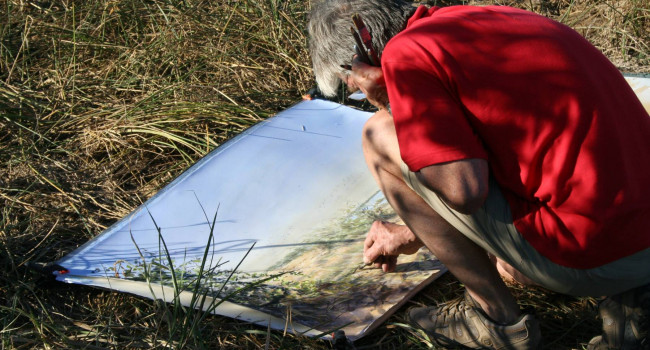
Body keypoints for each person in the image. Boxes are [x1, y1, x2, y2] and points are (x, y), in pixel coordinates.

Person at [308, 0, 650, 349]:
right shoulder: (485, 17)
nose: (362, 96)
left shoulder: (404, 54)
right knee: (510, 266)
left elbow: (463, 190)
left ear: (362, 57)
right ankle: (634, 294)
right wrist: (413, 233)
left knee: (378, 134)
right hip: (640, 235)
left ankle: (494, 320)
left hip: (595, 251)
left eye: (353, 87)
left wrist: (390, 99)